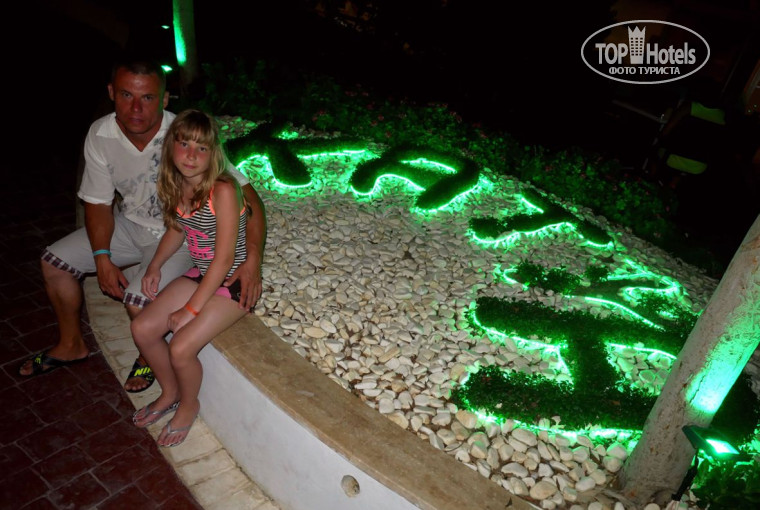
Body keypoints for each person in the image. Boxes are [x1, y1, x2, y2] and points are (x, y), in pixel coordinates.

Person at [18, 56, 266, 393]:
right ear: (111, 93)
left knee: (139, 300)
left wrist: (252, 259)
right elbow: (97, 203)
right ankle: (71, 344)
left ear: (164, 99)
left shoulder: (183, 133)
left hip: (175, 235)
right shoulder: (101, 134)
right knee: (53, 262)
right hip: (128, 223)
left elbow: (248, 199)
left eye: (148, 97)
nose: (136, 108)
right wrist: (102, 256)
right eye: (126, 95)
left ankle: (148, 358)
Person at [131, 109, 251, 447]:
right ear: (171, 146)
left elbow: (224, 259)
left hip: (232, 283)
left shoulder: (223, 190)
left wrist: (191, 310)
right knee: (142, 328)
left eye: (202, 148)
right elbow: (176, 228)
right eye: (184, 144)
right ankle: (169, 392)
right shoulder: (177, 184)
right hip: (201, 273)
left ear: (213, 154)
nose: (191, 155)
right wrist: (155, 265)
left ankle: (188, 404)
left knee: (181, 347)